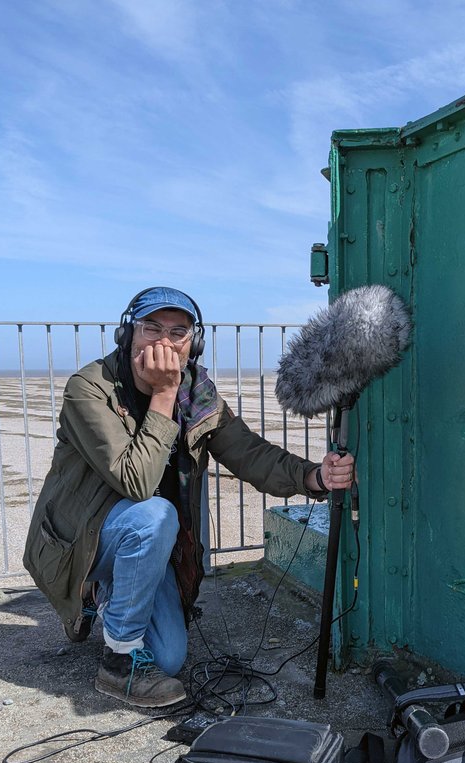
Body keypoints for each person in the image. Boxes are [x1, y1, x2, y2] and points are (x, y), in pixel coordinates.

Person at [23, 287, 354, 708]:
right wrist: (163, 393)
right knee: (155, 516)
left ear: (192, 344)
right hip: (81, 545)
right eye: (151, 328)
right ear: (128, 335)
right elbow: (136, 482)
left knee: (170, 657)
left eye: (178, 332)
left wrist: (313, 476)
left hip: (143, 542)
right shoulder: (90, 390)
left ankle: (105, 598)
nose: (164, 342)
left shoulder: (197, 392)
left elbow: (247, 452)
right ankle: (118, 661)